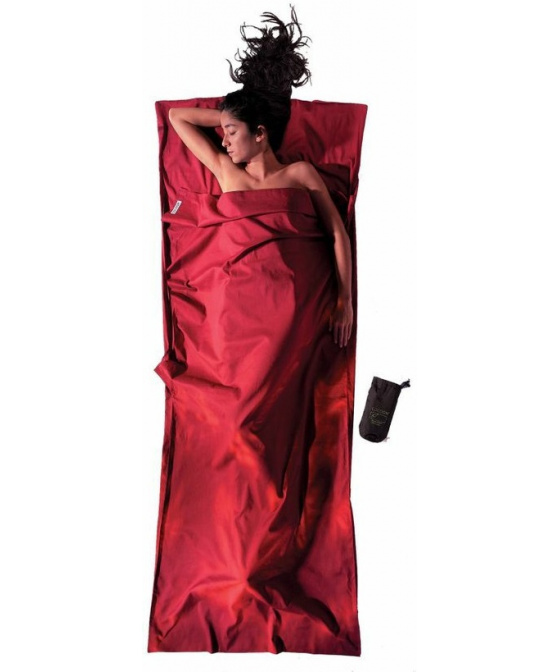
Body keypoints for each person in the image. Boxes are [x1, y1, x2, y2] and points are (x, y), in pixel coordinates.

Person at [168, 7, 353, 348]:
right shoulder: (226, 171)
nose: (224, 141)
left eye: (232, 133)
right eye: (224, 132)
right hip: (235, 303)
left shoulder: (299, 173)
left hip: (289, 303)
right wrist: (231, 117)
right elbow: (176, 117)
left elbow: (337, 233)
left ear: (260, 133)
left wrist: (345, 299)